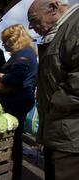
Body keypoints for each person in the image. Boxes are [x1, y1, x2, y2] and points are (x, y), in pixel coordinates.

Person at [27, 0, 79, 179]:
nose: (31, 27)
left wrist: (52, 104)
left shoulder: (75, 26)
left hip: (70, 135)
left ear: (54, 8)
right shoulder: (60, 32)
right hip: (59, 130)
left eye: (33, 20)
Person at [0, 24, 38, 180]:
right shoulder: (22, 53)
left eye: (5, 41)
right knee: (13, 138)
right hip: (17, 100)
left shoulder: (23, 53)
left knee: (13, 139)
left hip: (16, 101)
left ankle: (12, 172)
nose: (4, 45)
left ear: (14, 39)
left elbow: (15, 79)